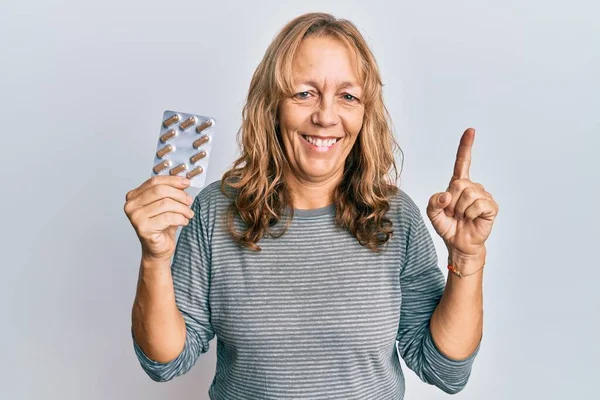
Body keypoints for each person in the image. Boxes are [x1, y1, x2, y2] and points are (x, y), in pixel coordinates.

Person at [124, 12, 499, 400]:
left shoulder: (396, 216)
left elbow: (444, 371)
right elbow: (165, 363)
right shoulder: (214, 210)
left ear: (364, 114)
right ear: (271, 106)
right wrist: (154, 259)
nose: (325, 116)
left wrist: (467, 258)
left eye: (348, 96)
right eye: (304, 93)